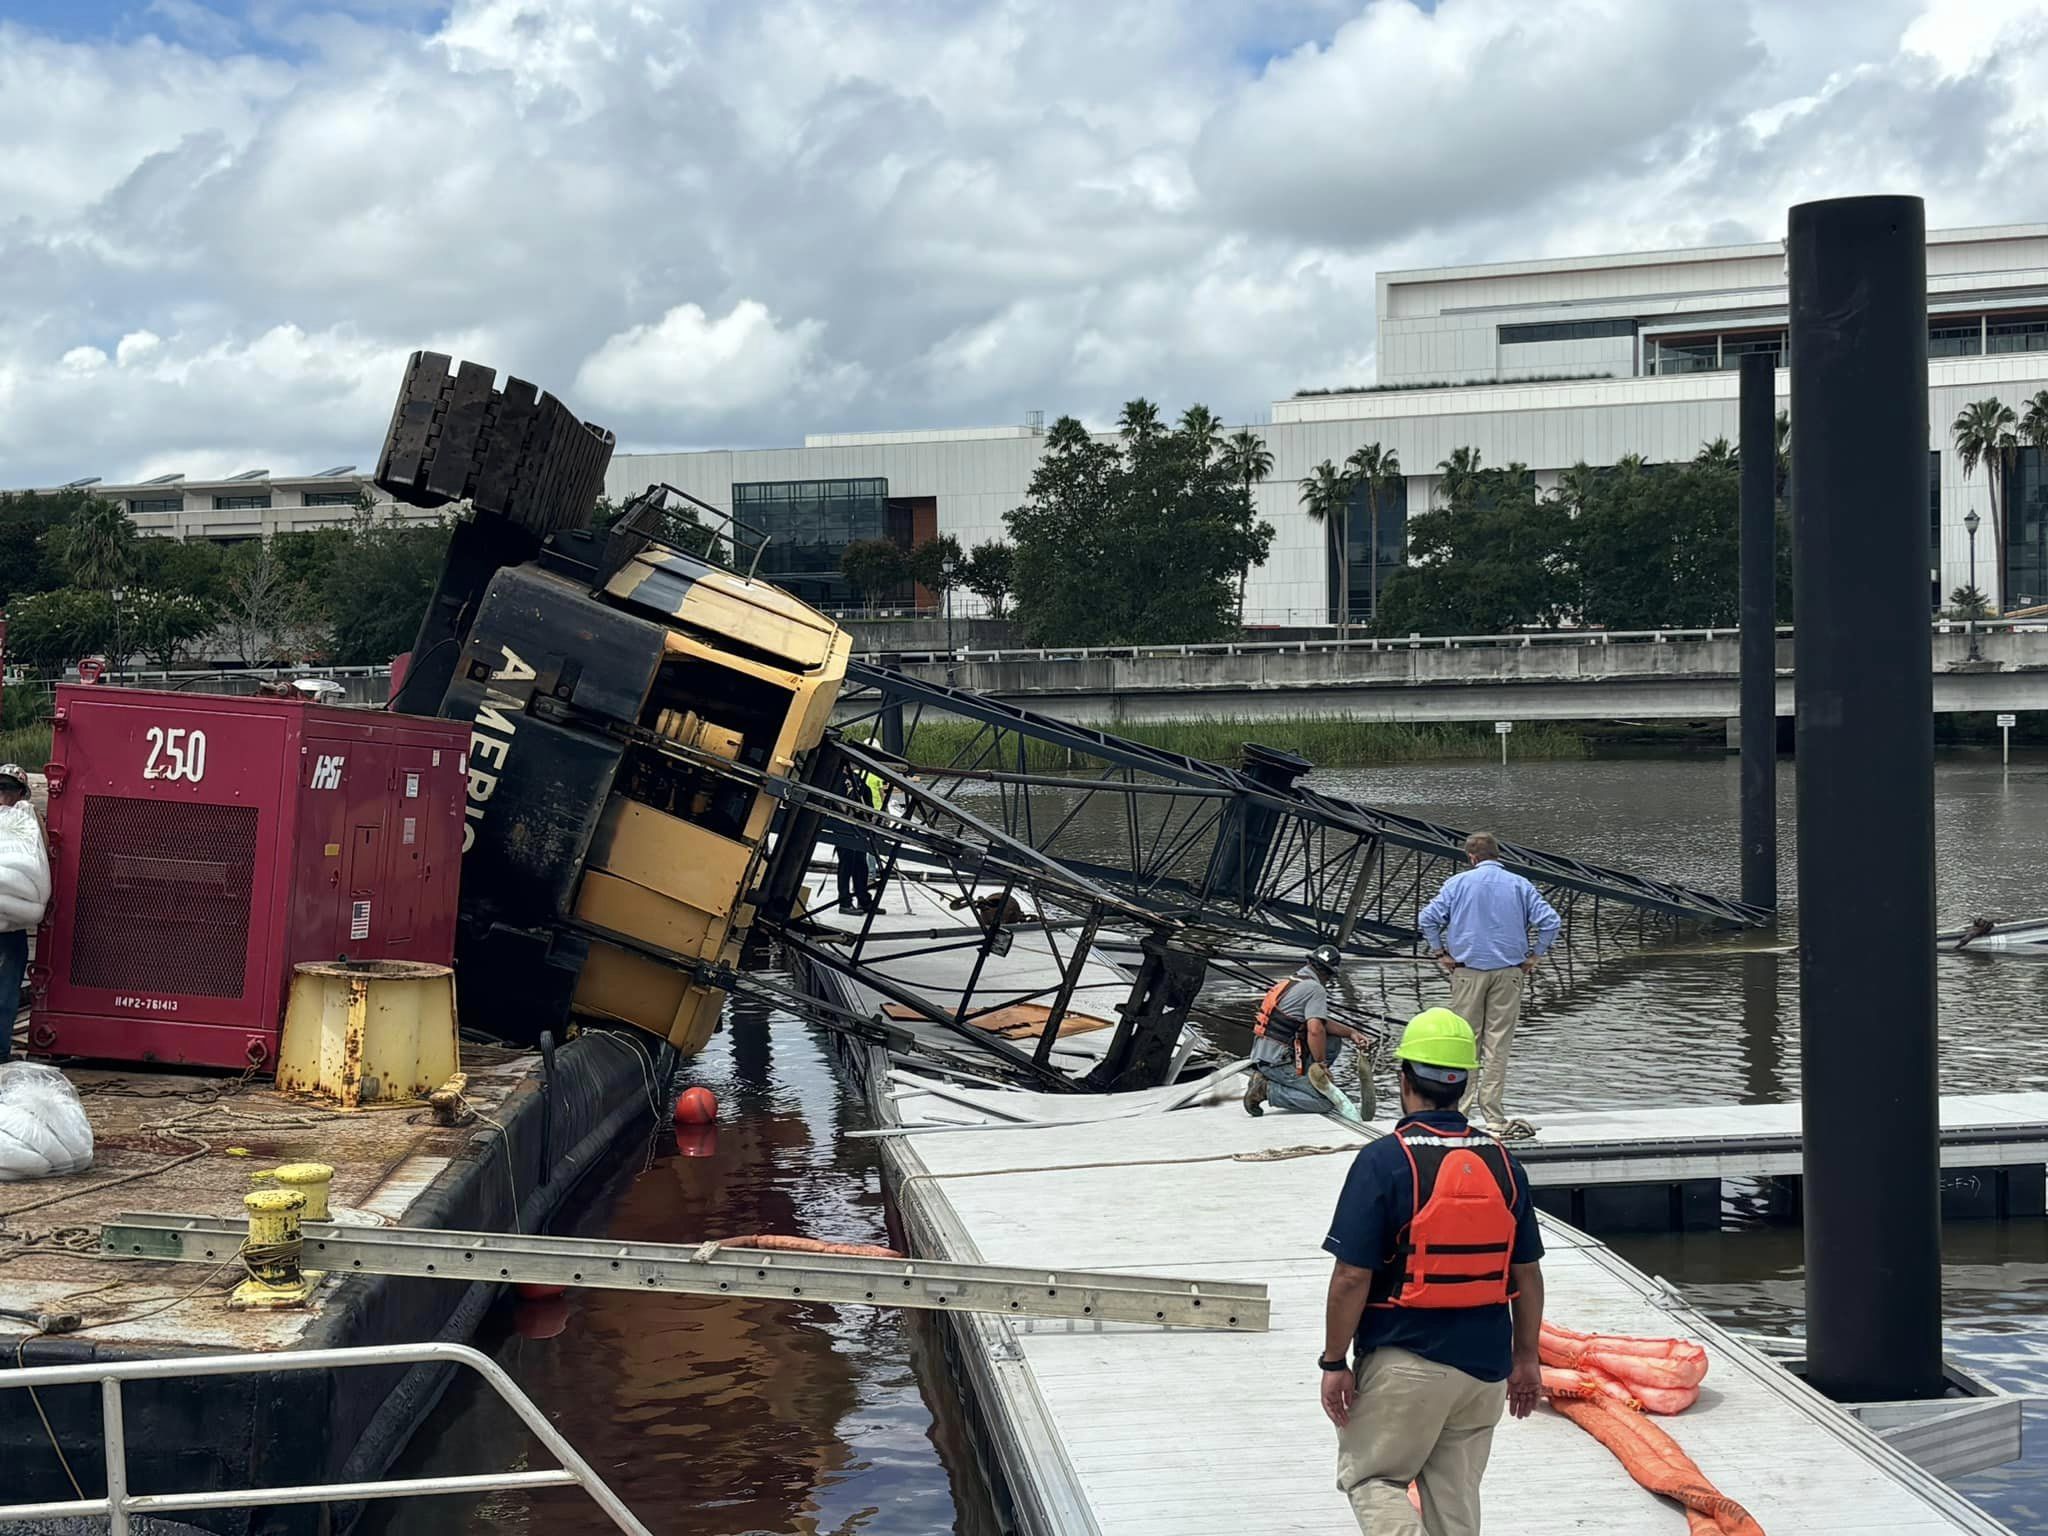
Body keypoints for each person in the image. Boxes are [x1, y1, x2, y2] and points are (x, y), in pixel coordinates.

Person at [1319, 1009, 1545, 1535]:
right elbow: (1527, 1275)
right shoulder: (1504, 1161)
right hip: (1485, 1370)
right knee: (1455, 1502)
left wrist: (1333, 1361)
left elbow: (1351, 1277)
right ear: (1463, 1084)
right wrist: (1527, 1358)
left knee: (1372, 1479)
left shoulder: (1384, 1160)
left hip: (1407, 1358)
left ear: (1403, 1080)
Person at [1418, 832, 1559, 1140]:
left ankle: (1460, 1111)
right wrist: (1535, 954)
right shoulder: (1520, 884)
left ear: (1471, 858)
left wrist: (1440, 951)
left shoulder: (1457, 884)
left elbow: (1427, 919)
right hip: (1510, 971)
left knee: (1465, 1043)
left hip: (1467, 971)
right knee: (1498, 1044)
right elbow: (1551, 922)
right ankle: (1493, 1114)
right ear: (1498, 855)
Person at [1244, 943, 1371, 1116]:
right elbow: (1315, 1030)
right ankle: (1266, 1090)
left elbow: (1321, 1022)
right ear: (1328, 973)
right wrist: (1321, 1065)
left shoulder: (1294, 981)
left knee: (1333, 1039)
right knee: (1326, 1101)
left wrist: (1351, 1033)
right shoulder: (1315, 989)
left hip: (1264, 1056)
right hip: (1277, 1063)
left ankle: (1304, 1080)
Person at [0, 765, 49, 1062]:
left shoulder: (26, 820)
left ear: (21, 794)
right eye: (0, 789)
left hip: (10, 933)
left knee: (5, 996)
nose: (3, 797)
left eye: (9, 790)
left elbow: (39, 857)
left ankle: (1, 1054)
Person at [834, 765, 878, 914]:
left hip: (859, 826)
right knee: (846, 863)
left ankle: (863, 899)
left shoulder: (856, 778)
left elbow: (866, 793)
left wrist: (867, 815)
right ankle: (844, 902)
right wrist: (850, 814)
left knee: (860, 863)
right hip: (843, 825)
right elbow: (836, 800)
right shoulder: (837, 778)